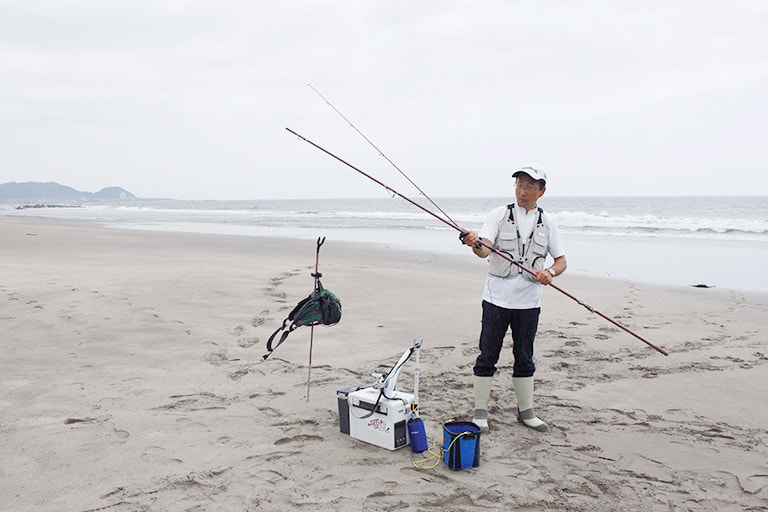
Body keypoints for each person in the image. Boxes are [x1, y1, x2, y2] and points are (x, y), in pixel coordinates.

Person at [460, 164, 567, 432]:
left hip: (529, 304)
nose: (523, 191)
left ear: (541, 191)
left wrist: (550, 272)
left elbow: (561, 261)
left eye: (530, 187)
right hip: (496, 300)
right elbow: (484, 251)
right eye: (520, 185)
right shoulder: (498, 215)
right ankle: (480, 412)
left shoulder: (549, 222)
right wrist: (474, 242)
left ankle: (526, 411)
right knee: (487, 356)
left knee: (525, 357)